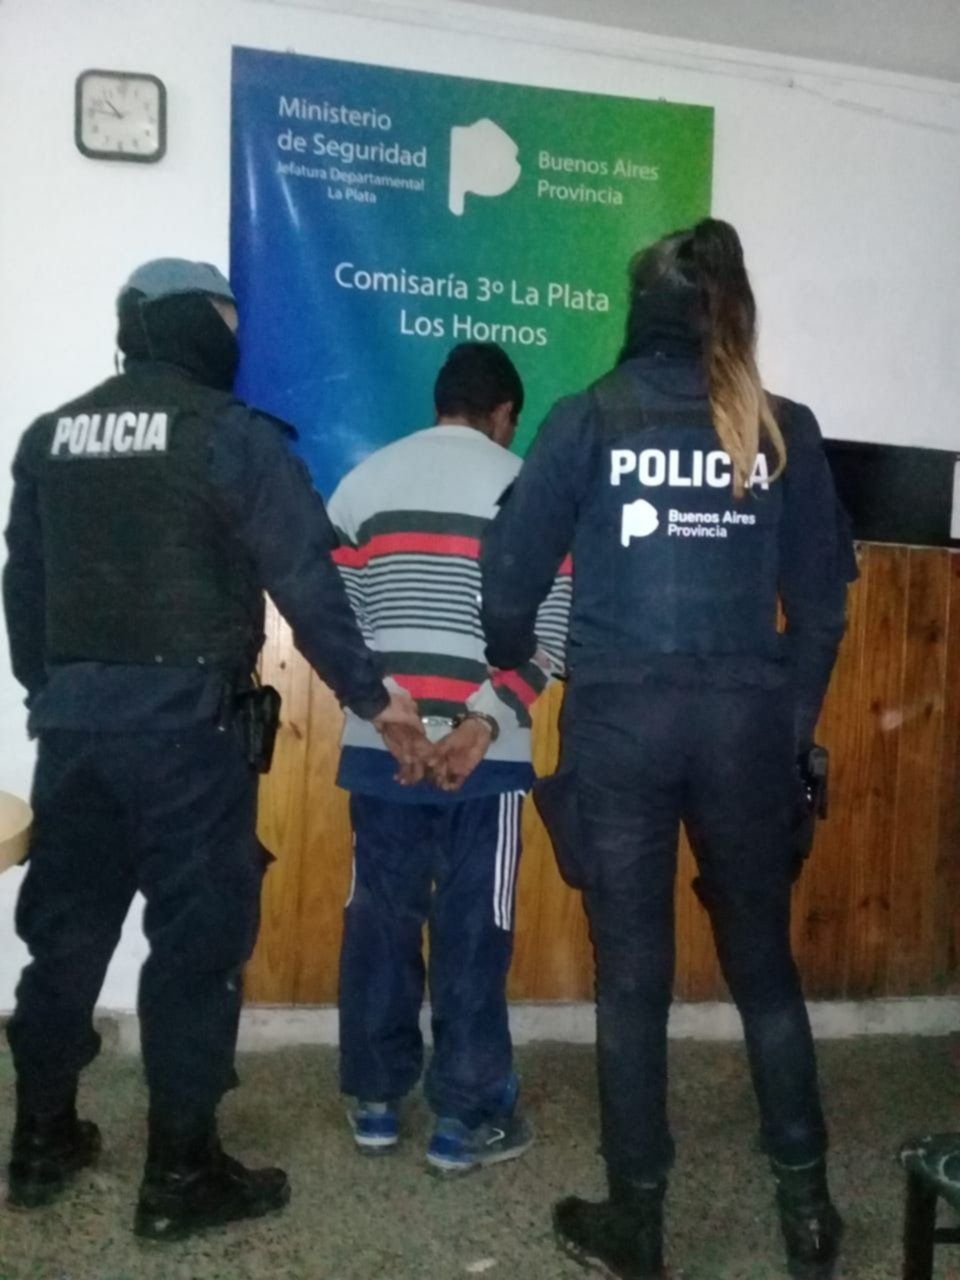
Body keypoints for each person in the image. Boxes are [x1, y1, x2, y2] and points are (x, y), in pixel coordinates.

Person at [2, 258, 420, 1239]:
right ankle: (180, 1176)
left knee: (65, 938)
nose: (237, 337)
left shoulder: (50, 436)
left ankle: (40, 1142)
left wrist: (55, 694)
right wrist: (374, 696)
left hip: (76, 733)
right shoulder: (231, 436)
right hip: (190, 737)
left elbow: (23, 592)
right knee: (196, 952)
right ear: (195, 323)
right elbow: (308, 584)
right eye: (229, 319)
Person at [481, 221, 856, 1279]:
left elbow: (506, 583)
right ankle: (810, 1214)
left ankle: (637, 1226)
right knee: (765, 971)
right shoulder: (781, 427)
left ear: (639, 309)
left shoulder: (587, 417)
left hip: (620, 726)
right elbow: (822, 610)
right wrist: (785, 732)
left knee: (634, 981)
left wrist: (513, 653)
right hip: (746, 727)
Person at [327, 342, 570, 1174]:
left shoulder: (362, 485)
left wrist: (392, 715)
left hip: (382, 750)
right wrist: (484, 721)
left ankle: (375, 1100)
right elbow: (556, 624)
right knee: (475, 928)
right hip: (487, 760)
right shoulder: (528, 487)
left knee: (380, 920)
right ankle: (463, 1119)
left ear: (439, 402)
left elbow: (336, 624)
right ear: (503, 414)